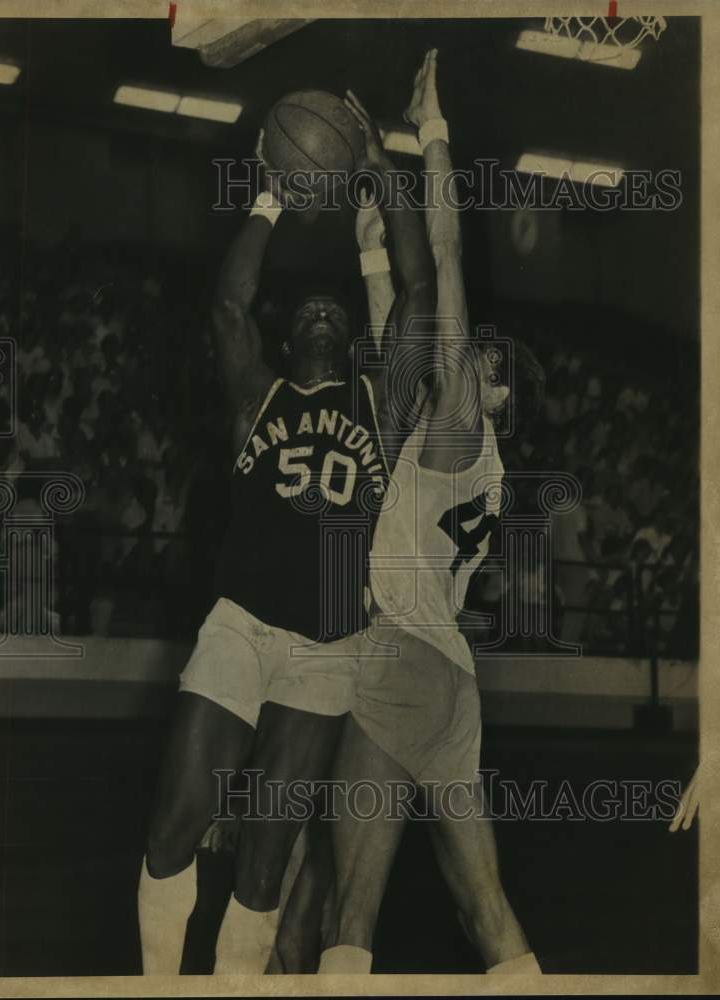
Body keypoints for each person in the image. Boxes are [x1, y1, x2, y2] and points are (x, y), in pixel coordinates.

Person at [137, 102, 436, 975]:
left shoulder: (379, 410)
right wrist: (268, 200)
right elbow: (229, 302)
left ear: (349, 343)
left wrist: (379, 164)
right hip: (240, 624)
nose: (316, 313)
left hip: (327, 649)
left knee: (265, 865)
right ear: (284, 335)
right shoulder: (254, 399)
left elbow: (417, 293)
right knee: (173, 825)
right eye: (303, 308)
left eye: (331, 312)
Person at [274, 49, 543, 976]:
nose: (470, 367)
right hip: (453, 687)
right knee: (484, 910)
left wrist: (428, 138)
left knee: (346, 908)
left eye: (483, 368)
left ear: (491, 394)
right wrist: (367, 246)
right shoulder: (446, 452)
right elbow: (400, 326)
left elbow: (447, 268)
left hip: (397, 660)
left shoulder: (460, 423)